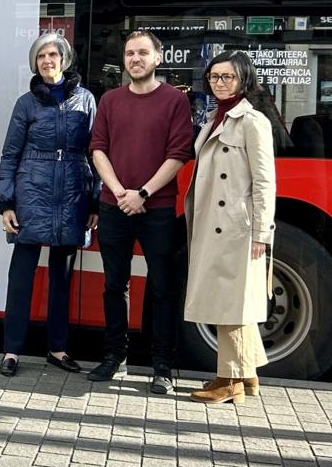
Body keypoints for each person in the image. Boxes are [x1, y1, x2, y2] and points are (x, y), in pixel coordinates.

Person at [87, 30, 193, 394]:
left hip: (158, 209)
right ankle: (115, 358)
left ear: (157, 58)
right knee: (114, 285)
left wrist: (143, 192)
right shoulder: (110, 101)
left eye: (143, 53)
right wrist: (119, 193)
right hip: (114, 206)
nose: (135, 59)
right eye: (130, 53)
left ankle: (162, 366)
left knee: (163, 289)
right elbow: (97, 149)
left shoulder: (175, 101)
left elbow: (178, 154)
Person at [0, 33, 98, 377]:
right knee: (21, 278)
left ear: (64, 59)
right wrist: (6, 203)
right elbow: (10, 154)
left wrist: (95, 201)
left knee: (62, 281)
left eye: (53, 54)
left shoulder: (85, 100)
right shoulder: (26, 103)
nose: (47, 60)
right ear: (35, 62)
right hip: (32, 194)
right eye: (41, 56)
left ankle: (57, 348)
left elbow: (96, 154)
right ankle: (11, 351)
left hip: (71, 196)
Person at [184, 50, 276, 404]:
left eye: (228, 77)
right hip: (215, 223)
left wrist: (261, 234)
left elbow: (265, 182)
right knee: (232, 300)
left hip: (238, 227)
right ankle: (248, 374)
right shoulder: (214, 118)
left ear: (244, 80)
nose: (219, 83)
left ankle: (229, 381)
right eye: (214, 77)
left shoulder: (253, 122)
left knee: (231, 303)